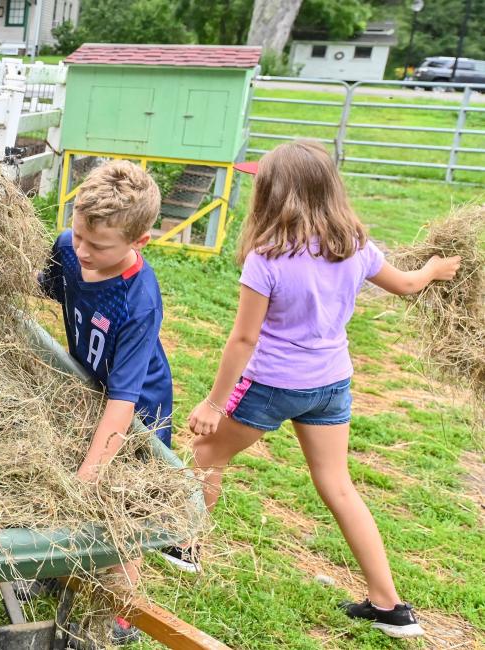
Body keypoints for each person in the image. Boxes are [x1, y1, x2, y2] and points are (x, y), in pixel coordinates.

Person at [181, 139, 461, 639]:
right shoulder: (355, 246)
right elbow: (407, 285)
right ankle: (389, 605)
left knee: (205, 453)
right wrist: (435, 270)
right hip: (331, 384)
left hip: (271, 384)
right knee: (337, 484)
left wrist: (213, 401)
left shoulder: (266, 258)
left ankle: (184, 545)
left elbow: (244, 337)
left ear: (273, 195)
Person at [37, 159, 171, 644]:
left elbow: (123, 403)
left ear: (139, 242)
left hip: (138, 409)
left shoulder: (138, 300)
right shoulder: (67, 250)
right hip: (89, 386)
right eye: (78, 236)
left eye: (98, 246)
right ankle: (58, 566)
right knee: (70, 471)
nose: (83, 251)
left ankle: (121, 611)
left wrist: (91, 473)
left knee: (121, 510)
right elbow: (39, 288)